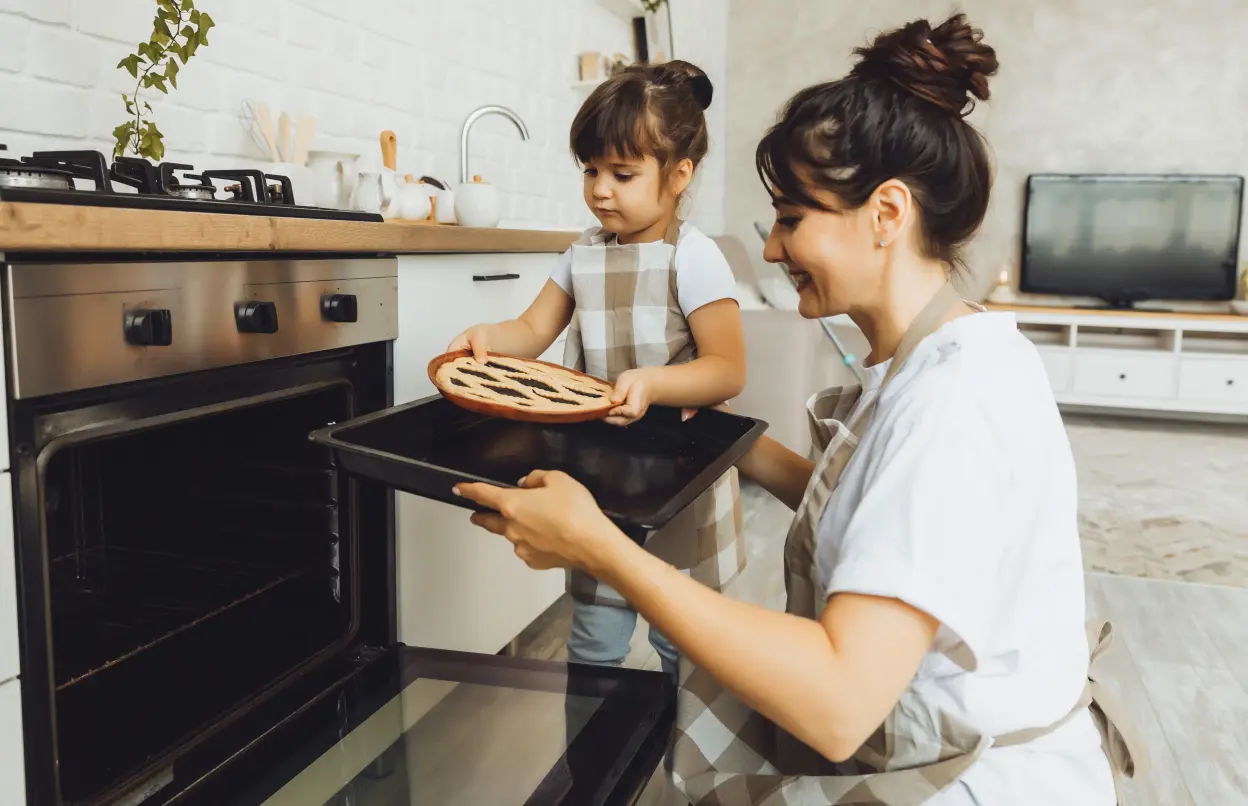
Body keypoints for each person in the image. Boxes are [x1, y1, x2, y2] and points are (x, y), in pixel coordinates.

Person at [454, 13, 1144, 806]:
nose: (774, 251)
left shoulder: (957, 402)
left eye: (791, 218)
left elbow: (841, 701)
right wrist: (720, 436)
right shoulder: (938, 357)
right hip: (918, 736)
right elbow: (864, 506)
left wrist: (601, 548)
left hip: (967, 778)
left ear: (886, 215)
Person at [447, 60, 747, 680]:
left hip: (677, 479)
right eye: (590, 171)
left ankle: (680, 766)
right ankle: (592, 765)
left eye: (623, 173)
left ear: (678, 176)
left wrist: (655, 383)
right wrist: (490, 338)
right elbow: (533, 331)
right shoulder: (581, 253)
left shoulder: (694, 258)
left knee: (683, 646)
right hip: (597, 477)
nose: (600, 190)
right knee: (594, 643)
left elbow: (728, 370)